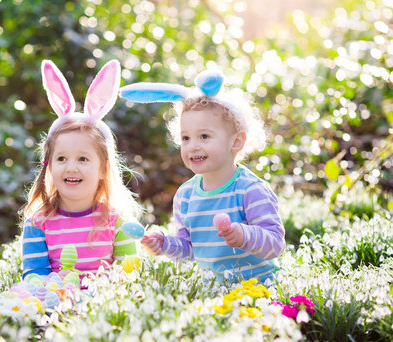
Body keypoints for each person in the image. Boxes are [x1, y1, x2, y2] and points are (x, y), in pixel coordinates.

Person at [120, 69, 285, 281]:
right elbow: (189, 250)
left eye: (204, 136)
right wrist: (164, 244)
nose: (192, 146)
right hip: (213, 294)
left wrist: (245, 235)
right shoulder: (186, 195)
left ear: (236, 141)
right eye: (186, 138)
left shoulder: (250, 190)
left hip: (257, 291)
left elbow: (275, 245)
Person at [21, 59, 142, 279]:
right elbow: (34, 276)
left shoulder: (117, 222)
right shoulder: (38, 224)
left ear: (104, 169)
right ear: (49, 166)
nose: (71, 167)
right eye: (62, 158)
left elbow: (129, 277)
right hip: (55, 305)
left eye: (83, 159)